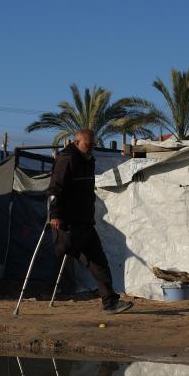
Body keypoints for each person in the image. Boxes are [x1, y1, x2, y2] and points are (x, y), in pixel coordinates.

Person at [48, 129, 131, 315]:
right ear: (77, 142)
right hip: (67, 222)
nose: (92, 147)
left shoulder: (88, 160)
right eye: (88, 144)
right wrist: (54, 214)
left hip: (85, 221)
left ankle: (110, 302)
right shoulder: (67, 159)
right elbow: (55, 188)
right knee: (63, 253)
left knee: (98, 260)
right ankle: (50, 288)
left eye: (93, 144)